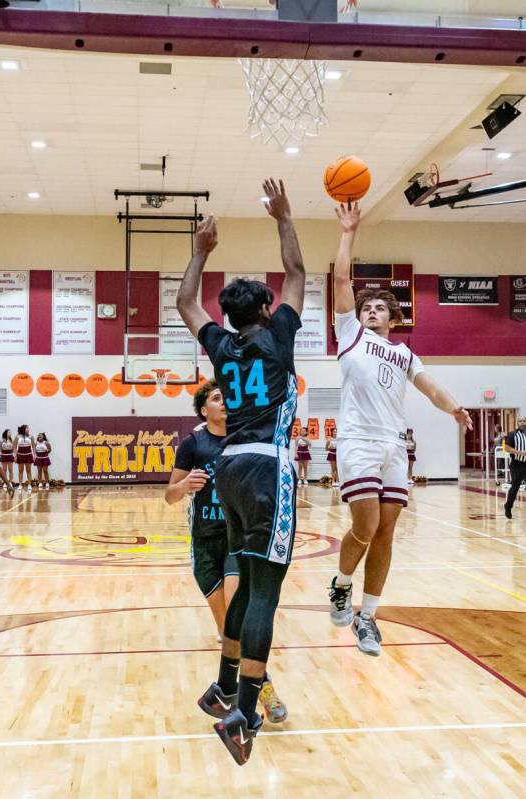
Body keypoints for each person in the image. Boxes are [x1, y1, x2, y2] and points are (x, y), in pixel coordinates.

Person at [176, 177, 305, 765]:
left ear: (230, 316)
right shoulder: (278, 335)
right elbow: (299, 272)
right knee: (262, 594)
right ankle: (244, 713)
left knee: (248, 587)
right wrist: (282, 217)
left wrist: (201, 250)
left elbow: (184, 302)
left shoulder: (222, 349)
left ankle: (225, 685)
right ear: (267, 309)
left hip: (227, 471)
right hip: (267, 469)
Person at [328, 201, 472, 657]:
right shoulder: (349, 333)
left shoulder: (405, 354)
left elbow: (430, 388)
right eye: (366, 306)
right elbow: (338, 281)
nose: (370, 311)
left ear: (392, 319)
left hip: (393, 446)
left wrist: (454, 410)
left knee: (387, 532)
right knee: (366, 526)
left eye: (378, 309)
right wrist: (348, 233)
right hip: (358, 442)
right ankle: (341, 583)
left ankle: (367, 616)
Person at [165, 378, 288, 724]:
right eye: (217, 398)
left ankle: (260, 693)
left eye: (227, 397)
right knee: (227, 630)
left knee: (242, 613)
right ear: (204, 409)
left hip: (237, 539)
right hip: (205, 542)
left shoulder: (244, 437)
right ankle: (228, 693)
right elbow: (169, 494)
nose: (225, 403)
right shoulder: (194, 443)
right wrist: (185, 485)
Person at [503, 416, 526, 519]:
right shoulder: (513, 434)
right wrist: (520, 452)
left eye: (524, 421)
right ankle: (508, 505)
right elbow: (506, 448)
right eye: (520, 421)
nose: (522, 422)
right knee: (515, 487)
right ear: (517, 423)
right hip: (517, 464)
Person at [14, 424, 35, 492]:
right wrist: (15, 456)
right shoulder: (17, 436)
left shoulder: (31, 436)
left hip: (28, 454)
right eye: (27, 428)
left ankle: (29, 485)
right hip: (20, 454)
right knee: (20, 471)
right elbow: (14, 447)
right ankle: (20, 484)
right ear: (23, 429)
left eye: (28, 428)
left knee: (28, 471)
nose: (28, 429)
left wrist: (34, 455)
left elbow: (33, 447)